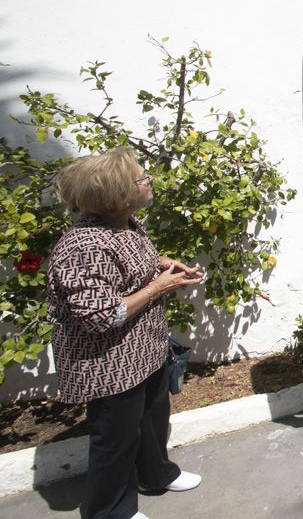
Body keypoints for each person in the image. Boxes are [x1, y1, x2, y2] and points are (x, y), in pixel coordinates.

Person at [47, 146, 204, 519]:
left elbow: (132, 264)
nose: (149, 180)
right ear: (116, 196)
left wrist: (164, 265)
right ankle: (111, 510)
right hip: (109, 362)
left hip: (143, 350)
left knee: (152, 417)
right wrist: (158, 288)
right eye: (141, 178)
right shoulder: (83, 247)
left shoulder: (127, 224)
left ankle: (155, 474)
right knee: (116, 439)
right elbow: (101, 316)